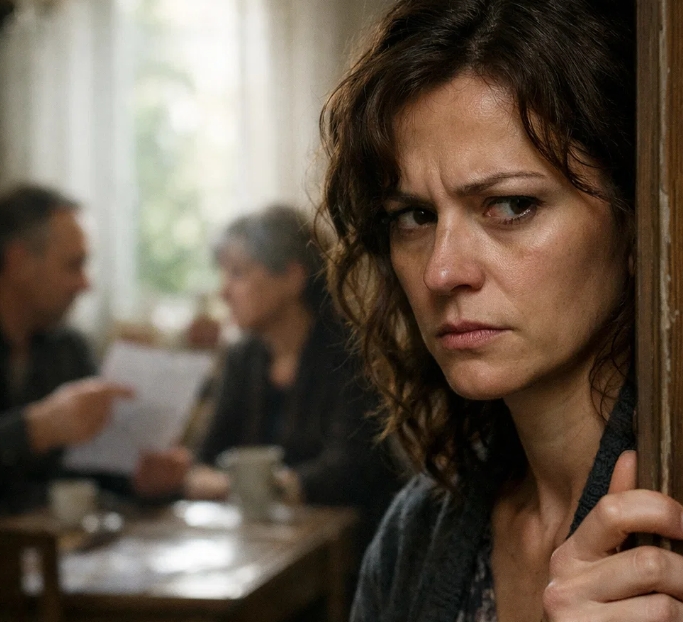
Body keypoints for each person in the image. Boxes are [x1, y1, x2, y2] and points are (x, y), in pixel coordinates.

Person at [318, 1, 683, 620]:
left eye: (511, 206)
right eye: (415, 216)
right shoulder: (412, 537)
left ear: (635, 221)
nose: (441, 272)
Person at [184, 205, 400, 543]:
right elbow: (203, 462)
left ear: (292, 277)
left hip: (348, 546)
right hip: (261, 540)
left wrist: (242, 486)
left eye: (238, 273)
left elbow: (350, 469)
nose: (224, 292)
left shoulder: (351, 351)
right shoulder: (242, 357)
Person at [0, 184, 189, 513]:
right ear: (19, 262)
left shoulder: (68, 348)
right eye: (73, 265)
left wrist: (141, 480)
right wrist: (36, 429)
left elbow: (94, 470)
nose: (85, 284)